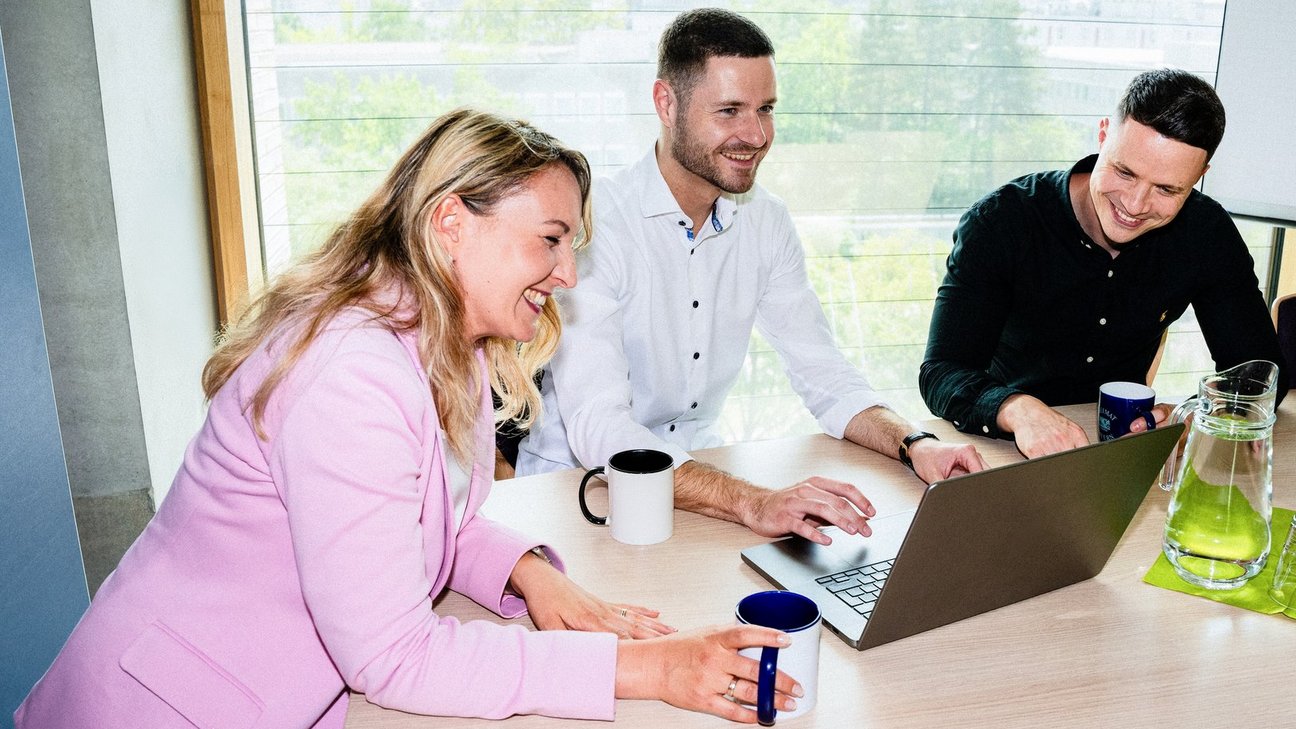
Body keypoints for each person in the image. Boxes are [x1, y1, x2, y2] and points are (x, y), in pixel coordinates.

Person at [15, 109, 803, 728]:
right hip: (168, 707)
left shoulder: (440, 339)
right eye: (553, 241)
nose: (567, 274)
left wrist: (527, 573)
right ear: (451, 223)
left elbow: (415, 517)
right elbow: (393, 654)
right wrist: (651, 668)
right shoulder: (352, 372)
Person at [516, 8, 987, 546]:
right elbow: (602, 428)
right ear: (665, 104)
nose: (756, 134)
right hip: (578, 495)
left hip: (702, 489)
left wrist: (916, 443)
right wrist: (753, 500)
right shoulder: (593, 222)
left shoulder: (766, 221)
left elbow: (824, 373)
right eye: (729, 111)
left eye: (766, 109)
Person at [920, 68, 1287, 459]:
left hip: (1122, 455)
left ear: (1200, 176)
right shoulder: (1003, 221)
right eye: (1125, 172)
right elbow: (942, 371)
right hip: (1002, 446)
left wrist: (1197, 414)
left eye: (1167, 189)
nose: (1134, 205)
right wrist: (1016, 409)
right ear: (1102, 136)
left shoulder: (1206, 233)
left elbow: (1261, 373)